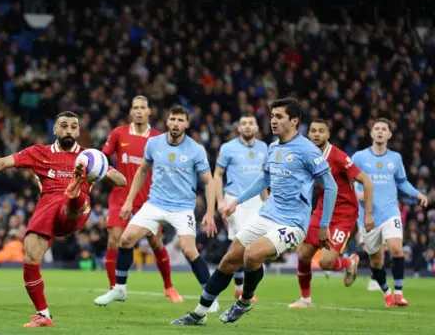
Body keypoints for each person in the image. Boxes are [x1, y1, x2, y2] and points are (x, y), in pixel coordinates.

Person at [170, 97, 338, 326]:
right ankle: (198, 314)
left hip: (292, 224)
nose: (273, 121)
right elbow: (265, 179)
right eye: (272, 116)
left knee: (251, 256)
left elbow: (331, 185)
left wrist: (324, 225)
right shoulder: (273, 147)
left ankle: (245, 301)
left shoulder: (307, 150)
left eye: (280, 117)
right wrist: (236, 202)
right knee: (229, 260)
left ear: (295, 121)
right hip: (267, 215)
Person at [0, 111, 126, 327]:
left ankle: (75, 192)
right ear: (55, 129)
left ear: (78, 131)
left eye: (73, 126)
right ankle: (44, 315)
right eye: (64, 125)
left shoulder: (89, 157)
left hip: (76, 210)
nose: (69, 130)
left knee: (72, 200)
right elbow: (4, 162)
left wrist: (98, 172)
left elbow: (122, 180)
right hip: (47, 207)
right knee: (30, 257)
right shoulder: (39, 153)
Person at [93, 105, 219, 312]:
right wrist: (128, 201)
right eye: (173, 119)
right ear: (167, 121)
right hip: (155, 203)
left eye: (180, 120)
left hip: (182, 208)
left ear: (187, 124)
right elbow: (142, 171)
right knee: (125, 239)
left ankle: (210, 296)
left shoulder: (196, 149)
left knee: (189, 250)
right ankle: (120, 288)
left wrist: (209, 212)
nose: (176, 124)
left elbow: (209, 181)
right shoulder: (154, 143)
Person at [101, 95, 182, 302]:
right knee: (114, 240)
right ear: (130, 112)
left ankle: (169, 287)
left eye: (142, 107)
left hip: (149, 200)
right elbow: (103, 157)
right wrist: (109, 172)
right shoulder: (118, 133)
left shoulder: (157, 138)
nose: (138, 111)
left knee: (155, 242)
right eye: (135, 107)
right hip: (120, 197)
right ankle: (115, 287)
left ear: (149, 112)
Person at [289, 119, 374, 308]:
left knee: (326, 263)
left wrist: (367, 214)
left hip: (344, 214)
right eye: (313, 131)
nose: (316, 134)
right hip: (321, 210)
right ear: (308, 134)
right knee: (303, 255)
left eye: (321, 131)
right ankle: (305, 300)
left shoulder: (338, 157)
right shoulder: (306, 156)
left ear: (328, 135)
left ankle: (349, 261)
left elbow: (366, 181)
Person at [351, 118, 429, 307]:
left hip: (389, 211)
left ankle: (399, 293)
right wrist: (356, 191)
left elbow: (401, 181)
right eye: (376, 128)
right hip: (368, 216)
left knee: (396, 248)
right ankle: (387, 292)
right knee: (377, 261)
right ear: (371, 134)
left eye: (383, 129)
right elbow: (349, 178)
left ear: (389, 134)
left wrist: (418, 194)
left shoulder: (395, 158)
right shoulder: (359, 157)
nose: (379, 131)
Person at [214, 114, 267, 301]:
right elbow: (218, 174)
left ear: (257, 127)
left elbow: (264, 178)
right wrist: (220, 202)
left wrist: (267, 202)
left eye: (250, 123)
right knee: (243, 242)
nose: (247, 126)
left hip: (257, 202)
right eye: (243, 123)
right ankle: (241, 287)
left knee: (252, 244)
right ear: (238, 128)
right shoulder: (228, 148)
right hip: (234, 199)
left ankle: (240, 286)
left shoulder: (264, 148)